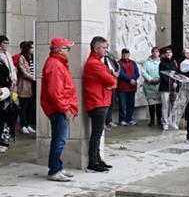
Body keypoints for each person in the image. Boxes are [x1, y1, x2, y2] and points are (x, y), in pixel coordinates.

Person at [40, 37, 79, 181]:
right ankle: (54, 170)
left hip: (59, 107)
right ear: (59, 50)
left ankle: (57, 167)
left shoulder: (57, 63)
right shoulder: (55, 64)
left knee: (59, 139)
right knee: (59, 140)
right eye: (67, 48)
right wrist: (65, 109)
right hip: (58, 108)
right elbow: (54, 92)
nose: (69, 51)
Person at [83, 36, 117, 172]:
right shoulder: (94, 63)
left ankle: (97, 159)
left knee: (98, 132)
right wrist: (112, 77)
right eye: (104, 47)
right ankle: (93, 162)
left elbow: (112, 81)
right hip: (97, 101)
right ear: (96, 49)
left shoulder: (97, 62)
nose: (106, 50)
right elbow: (111, 80)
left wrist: (111, 79)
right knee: (96, 133)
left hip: (100, 100)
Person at [17, 41, 37, 135]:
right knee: (24, 105)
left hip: (34, 85)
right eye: (31, 47)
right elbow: (23, 71)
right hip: (25, 84)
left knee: (31, 106)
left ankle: (28, 124)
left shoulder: (34, 57)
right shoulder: (22, 57)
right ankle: (23, 125)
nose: (33, 49)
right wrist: (33, 77)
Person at [116, 48, 139, 126]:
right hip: (122, 87)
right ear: (122, 54)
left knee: (130, 104)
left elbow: (137, 73)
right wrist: (130, 80)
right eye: (123, 53)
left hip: (132, 87)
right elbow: (121, 74)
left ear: (129, 54)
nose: (125, 55)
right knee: (122, 104)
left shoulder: (133, 62)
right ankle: (122, 119)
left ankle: (129, 119)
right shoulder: (118, 63)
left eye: (126, 53)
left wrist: (134, 79)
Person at [158, 47, 178, 130]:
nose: (168, 53)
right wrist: (171, 83)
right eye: (166, 52)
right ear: (164, 54)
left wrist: (176, 82)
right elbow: (162, 75)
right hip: (165, 87)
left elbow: (176, 73)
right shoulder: (162, 63)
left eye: (170, 52)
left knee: (174, 105)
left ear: (172, 53)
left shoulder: (174, 62)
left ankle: (173, 122)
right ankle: (165, 123)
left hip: (174, 88)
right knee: (165, 106)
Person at [141, 47, 162, 126]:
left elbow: (163, 71)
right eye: (153, 51)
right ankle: (152, 120)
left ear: (159, 53)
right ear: (151, 52)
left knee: (159, 104)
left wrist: (159, 79)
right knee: (151, 104)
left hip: (159, 85)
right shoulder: (147, 62)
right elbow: (143, 72)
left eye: (157, 51)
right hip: (149, 86)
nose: (155, 53)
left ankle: (159, 119)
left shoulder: (161, 62)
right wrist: (150, 79)